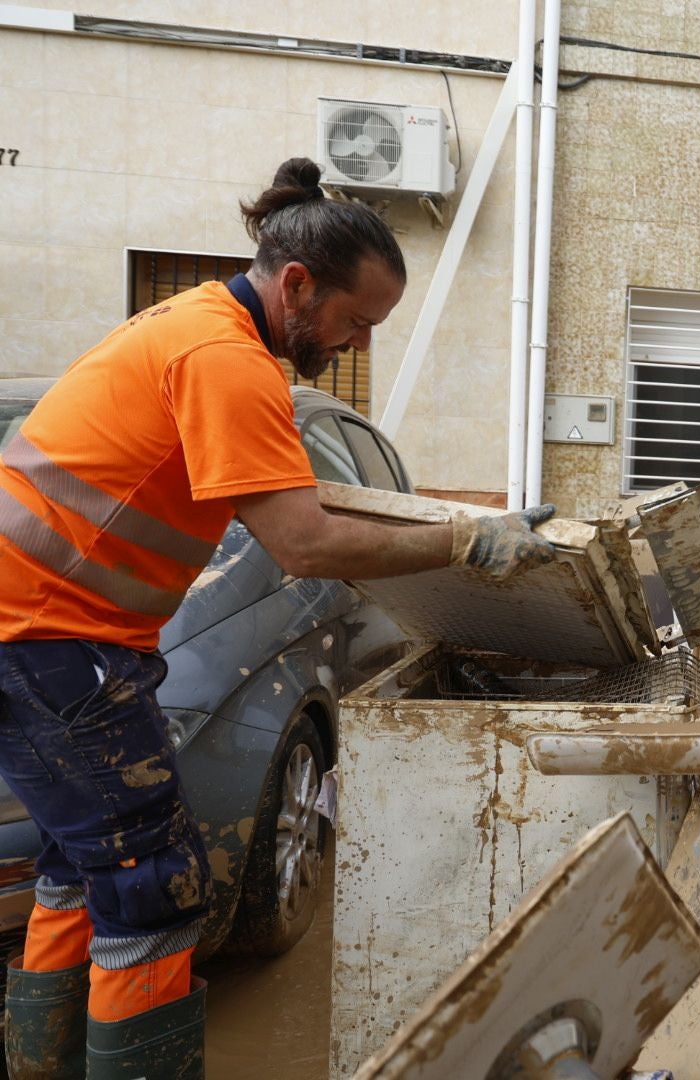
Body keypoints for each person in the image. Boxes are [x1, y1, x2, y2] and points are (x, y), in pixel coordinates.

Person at [0, 158, 555, 1079]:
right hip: (58, 645)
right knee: (156, 892)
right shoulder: (227, 359)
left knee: (80, 864)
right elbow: (304, 542)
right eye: (354, 321)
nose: (352, 344)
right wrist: (464, 541)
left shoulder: (188, 327)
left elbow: (304, 504)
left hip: (41, 635)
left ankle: (41, 1063)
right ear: (297, 284)